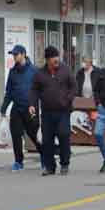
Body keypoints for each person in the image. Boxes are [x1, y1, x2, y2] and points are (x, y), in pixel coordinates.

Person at [29, 46, 76, 176]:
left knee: (63, 135)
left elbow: (73, 86)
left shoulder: (65, 70)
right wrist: (32, 104)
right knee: (47, 140)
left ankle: (65, 164)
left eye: (56, 56)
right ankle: (50, 167)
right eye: (52, 57)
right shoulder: (40, 73)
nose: (56, 59)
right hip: (47, 112)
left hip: (63, 111)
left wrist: (67, 100)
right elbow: (34, 90)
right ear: (47, 59)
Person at [1, 45, 42, 172]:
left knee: (34, 134)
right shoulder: (13, 72)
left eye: (16, 54)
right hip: (16, 108)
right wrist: (3, 109)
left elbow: (40, 90)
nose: (14, 57)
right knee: (16, 135)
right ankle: (18, 161)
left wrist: (40, 106)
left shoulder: (34, 71)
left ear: (23, 54)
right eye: (13, 55)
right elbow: (9, 92)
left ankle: (45, 156)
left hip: (30, 108)